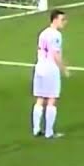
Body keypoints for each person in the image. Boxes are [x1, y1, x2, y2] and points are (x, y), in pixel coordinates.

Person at [32, 10, 69, 139]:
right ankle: (49, 132)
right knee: (52, 99)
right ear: (55, 20)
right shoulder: (56, 35)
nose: (64, 22)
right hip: (50, 69)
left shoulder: (43, 33)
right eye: (62, 20)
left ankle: (36, 129)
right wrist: (64, 68)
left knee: (40, 99)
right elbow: (55, 54)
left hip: (39, 67)